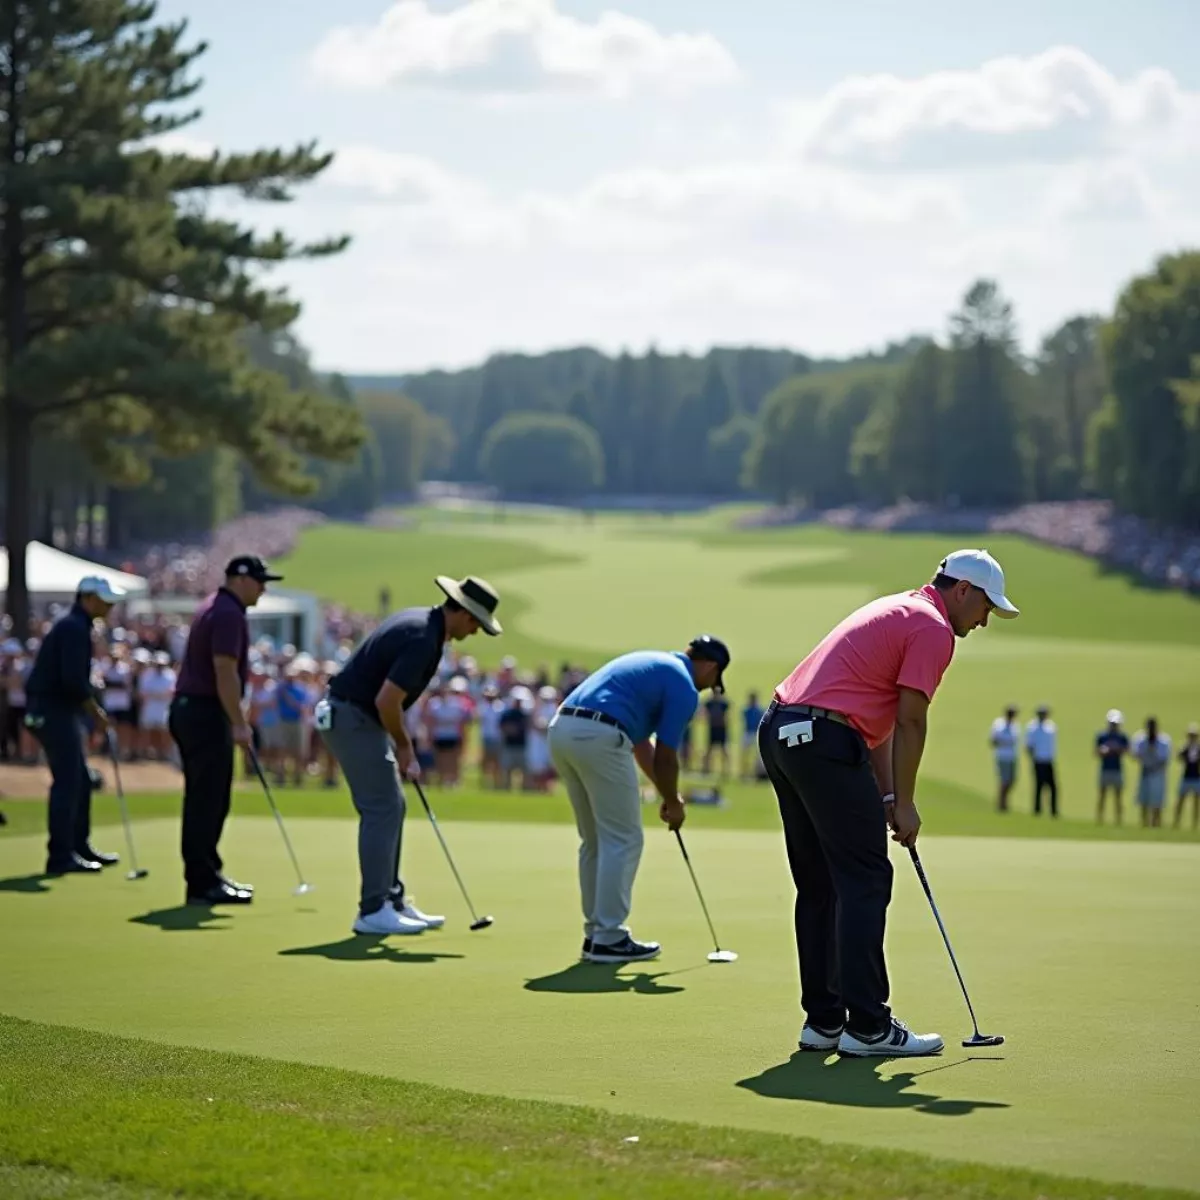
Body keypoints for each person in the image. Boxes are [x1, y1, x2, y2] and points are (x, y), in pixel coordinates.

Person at [758, 548, 1018, 1059]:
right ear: (962, 591)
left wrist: (889, 795)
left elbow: (872, 725)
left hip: (782, 730)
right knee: (866, 878)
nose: (985, 620)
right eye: (986, 606)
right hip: (826, 742)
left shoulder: (899, 608)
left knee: (820, 885)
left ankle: (824, 1022)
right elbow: (910, 722)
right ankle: (870, 1027)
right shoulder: (933, 629)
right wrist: (908, 806)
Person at [319, 575, 502, 936]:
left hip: (357, 717)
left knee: (393, 804)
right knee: (382, 806)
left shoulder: (423, 623)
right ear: (463, 612)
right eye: (475, 623)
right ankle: (373, 909)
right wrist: (404, 746)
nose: (476, 632)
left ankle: (392, 900)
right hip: (353, 717)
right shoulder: (422, 637)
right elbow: (387, 700)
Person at [547, 634, 731, 964]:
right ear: (710, 666)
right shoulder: (683, 685)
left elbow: (641, 745)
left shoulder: (655, 664)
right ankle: (609, 937)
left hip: (562, 729)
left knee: (594, 840)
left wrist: (666, 794)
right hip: (599, 735)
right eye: (714, 680)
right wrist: (674, 803)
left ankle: (596, 934)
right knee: (624, 838)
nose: (708, 688)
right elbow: (666, 755)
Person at [170, 555, 281, 905]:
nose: (264, 588)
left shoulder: (216, 606)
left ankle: (206, 876)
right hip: (205, 712)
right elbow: (224, 670)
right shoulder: (229, 613)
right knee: (208, 799)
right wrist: (238, 722)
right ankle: (203, 882)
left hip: (194, 709)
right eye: (260, 581)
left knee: (207, 798)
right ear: (239, 579)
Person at [24, 577, 125, 874]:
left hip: (58, 710)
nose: (110, 606)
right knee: (68, 782)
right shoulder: (74, 628)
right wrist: (95, 711)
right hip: (52, 711)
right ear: (87, 598)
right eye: (104, 600)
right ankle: (60, 856)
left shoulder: (79, 626)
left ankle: (78, 846)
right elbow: (72, 681)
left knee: (79, 780)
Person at [1131, 716, 1171, 828]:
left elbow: (1164, 759)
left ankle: (1156, 825)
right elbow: (1135, 755)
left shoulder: (1163, 741)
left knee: (1157, 803)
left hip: (1158, 774)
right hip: (1145, 772)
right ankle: (1144, 824)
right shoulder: (1141, 739)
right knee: (1143, 802)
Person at [1095, 709, 1130, 825]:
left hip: (1117, 769)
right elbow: (1096, 752)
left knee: (1118, 797)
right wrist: (1104, 751)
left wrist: (1116, 749)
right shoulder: (1102, 736)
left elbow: (1127, 751)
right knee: (1102, 795)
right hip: (1105, 769)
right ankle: (1100, 820)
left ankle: (1118, 820)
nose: (1113, 726)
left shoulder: (1122, 737)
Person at [1025, 705, 1058, 817]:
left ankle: (1053, 810)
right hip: (1038, 760)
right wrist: (1032, 758)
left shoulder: (1051, 726)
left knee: (1053, 786)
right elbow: (1029, 745)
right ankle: (1037, 810)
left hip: (1049, 760)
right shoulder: (1032, 727)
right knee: (1039, 786)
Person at [988, 704, 1020, 812]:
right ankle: (1002, 803)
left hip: (1012, 756)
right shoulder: (999, 724)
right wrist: (1004, 742)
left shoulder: (1015, 726)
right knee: (1004, 780)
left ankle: (1003, 801)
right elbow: (993, 741)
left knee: (1012, 780)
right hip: (1002, 756)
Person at [1174, 724, 1200, 830]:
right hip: (1186, 777)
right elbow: (1179, 757)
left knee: (1196, 802)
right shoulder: (1186, 747)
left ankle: (1194, 824)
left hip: (1197, 777)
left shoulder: (1198, 749)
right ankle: (1176, 823)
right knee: (1181, 800)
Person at [740, 690, 765, 781]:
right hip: (747, 733)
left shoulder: (759, 710)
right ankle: (744, 773)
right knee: (745, 754)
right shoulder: (747, 710)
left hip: (755, 733)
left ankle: (756, 773)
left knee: (758, 756)